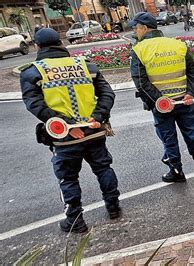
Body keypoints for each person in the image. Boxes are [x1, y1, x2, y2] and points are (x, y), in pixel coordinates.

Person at [20, 28, 121, 234]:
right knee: (103, 169)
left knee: (68, 178)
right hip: (94, 131)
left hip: (65, 138)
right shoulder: (86, 66)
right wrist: (98, 117)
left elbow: (36, 106)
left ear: (38, 46)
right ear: (61, 43)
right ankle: (113, 208)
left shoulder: (33, 72)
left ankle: (75, 221)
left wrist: (66, 125)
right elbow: (107, 94)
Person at [128, 12, 194, 183]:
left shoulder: (139, 50)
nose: (135, 31)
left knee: (169, 138)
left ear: (144, 28)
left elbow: (141, 83)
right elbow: (193, 71)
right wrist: (191, 92)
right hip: (184, 100)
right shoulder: (178, 45)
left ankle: (176, 171)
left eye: (136, 28)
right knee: (191, 133)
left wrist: (160, 100)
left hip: (161, 106)